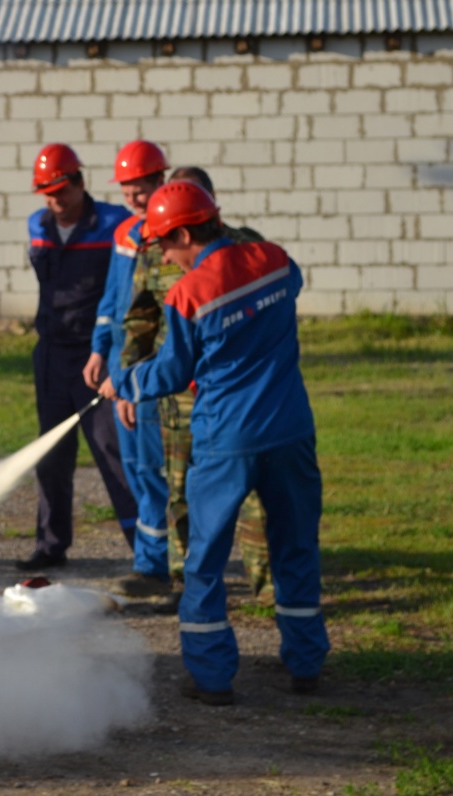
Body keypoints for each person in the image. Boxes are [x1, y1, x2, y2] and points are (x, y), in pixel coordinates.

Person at [117, 180, 330, 705]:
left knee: (206, 559)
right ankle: (306, 665)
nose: (164, 255)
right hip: (289, 432)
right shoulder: (276, 259)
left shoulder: (188, 293)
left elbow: (172, 370)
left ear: (187, 233)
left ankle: (211, 678)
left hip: (225, 440)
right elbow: (290, 289)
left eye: (166, 243)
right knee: (296, 546)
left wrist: (123, 383)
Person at [129, 165, 275, 603]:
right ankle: (184, 580)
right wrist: (130, 372)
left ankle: (267, 584)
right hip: (177, 399)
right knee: (180, 491)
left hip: (233, 397)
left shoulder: (246, 246)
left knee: (250, 492)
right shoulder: (155, 249)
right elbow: (140, 317)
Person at [16, 143, 139, 571]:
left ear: (80, 182)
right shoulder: (39, 225)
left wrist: (111, 353)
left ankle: (145, 549)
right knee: (51, 455)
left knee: (112, 452)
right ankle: (51, 545)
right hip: (51, 354)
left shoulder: (114, 224)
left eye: (61, 190)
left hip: (96, 357)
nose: (54, 200)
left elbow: (126, 291)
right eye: (46, 192)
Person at [83, 140, 171, 596]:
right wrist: (100, 350)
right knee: (138, 468)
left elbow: (158, 319)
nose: (135, 199)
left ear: (162, 181)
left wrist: (133, 378)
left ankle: (161, 568)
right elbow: (113, 302)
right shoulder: (125, 235)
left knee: (155, 468)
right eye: (128, 190)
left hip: (152, 372)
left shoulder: (172, 235)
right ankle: (150, 562)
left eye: (142, 188)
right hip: (121, 368)